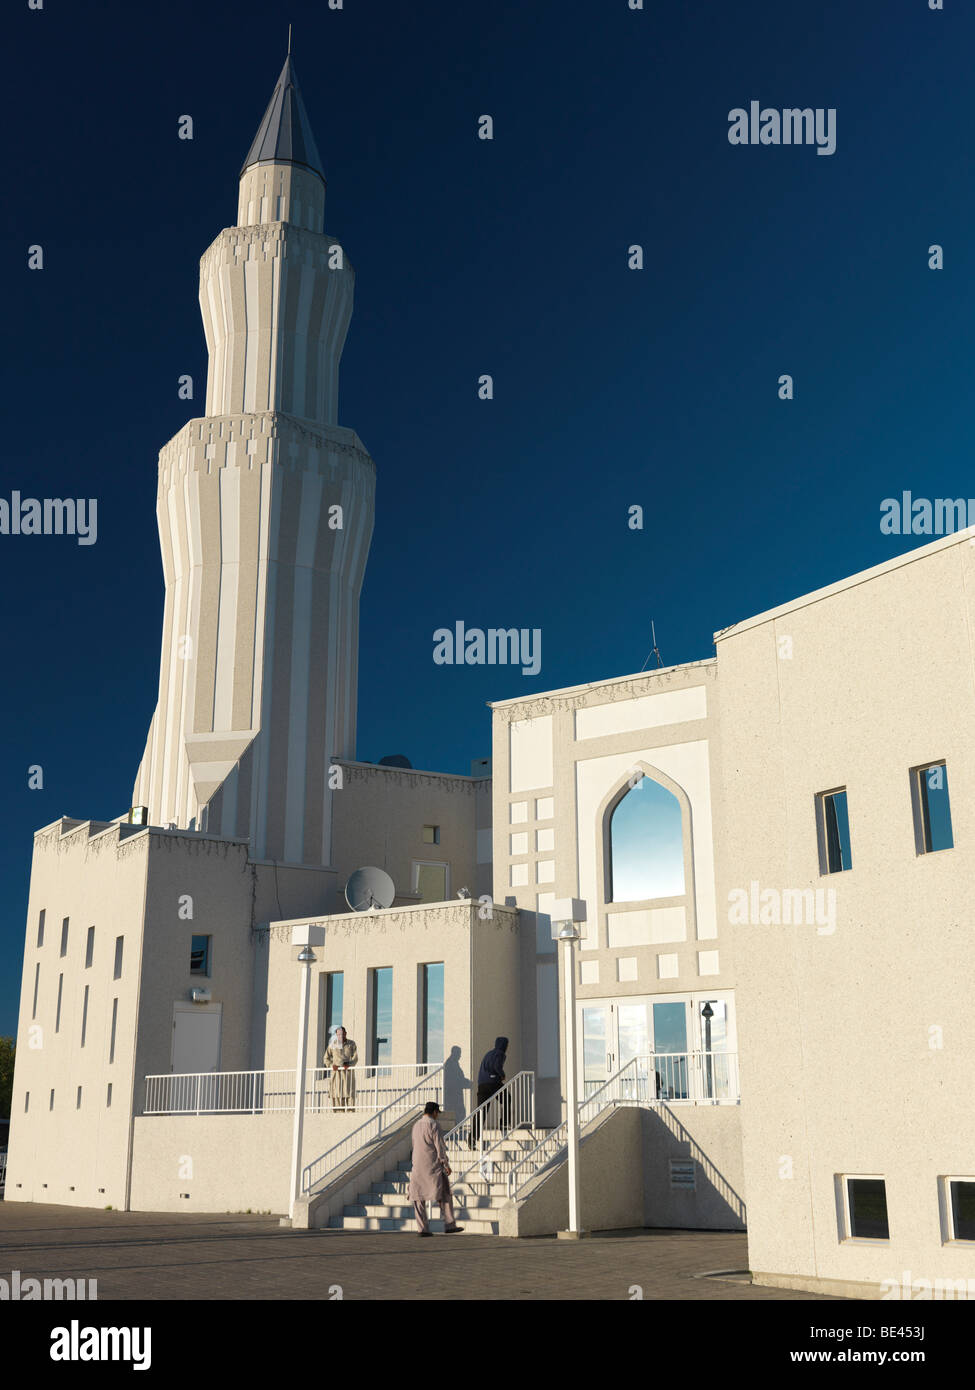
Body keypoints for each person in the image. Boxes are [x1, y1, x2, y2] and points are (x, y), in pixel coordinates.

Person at [408, 1101, 463, 1236]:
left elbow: (414, 1144)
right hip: (432, 1165)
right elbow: (439, 1146)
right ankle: (449, 1224)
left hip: (417, 1165)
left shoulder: (416, 1125)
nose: (438, 1115)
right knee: (444, 1193)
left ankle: (422, 1229)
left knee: (418, 1197)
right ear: (434, 1112)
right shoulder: (434, 1125)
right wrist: (445, 1163)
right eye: (438, 1113)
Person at [470, 1035, 509, 1146]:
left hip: (482, 1085)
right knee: (507, 1099)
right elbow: (497, 1066)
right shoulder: (500, 1054)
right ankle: (504, 1123)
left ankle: (473, 1137)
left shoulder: (488, 1054)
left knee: (481, 1112)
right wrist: (502, 1075)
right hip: (493, 1083)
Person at [324, 1026, 357, 1111]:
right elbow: (326, 1058)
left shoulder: (351, 1044)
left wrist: (349, 1064)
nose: (340, 1036)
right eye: (338, 1034)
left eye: (342, 1034)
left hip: (348, 1074)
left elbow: (355, 1058)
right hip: (336, 1075)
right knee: (337, 1095)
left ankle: (351, 1117)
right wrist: (332, 1066)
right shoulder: (332, 1045)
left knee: (350, 1095)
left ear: (345, 1033)